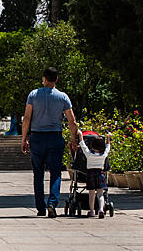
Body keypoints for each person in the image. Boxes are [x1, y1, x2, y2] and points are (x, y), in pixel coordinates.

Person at [21, 67, 78, 217]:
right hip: (55, 137)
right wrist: (73, 140)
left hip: (37, 137)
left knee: (38, 173)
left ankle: (40, 207)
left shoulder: (33, 95)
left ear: (44, 79)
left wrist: (24, 139)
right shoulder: (63, 97)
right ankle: (52, 202)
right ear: (56, 79)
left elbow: (27, 118)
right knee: (55, 172)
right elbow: (72, 121)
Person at [78, 129, 111, 218]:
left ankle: (92, 211)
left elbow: (82, 145)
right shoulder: (104, 154)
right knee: (100, 194)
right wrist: (108, 138)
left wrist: (80, 135)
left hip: (90, 174)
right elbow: (108, 147)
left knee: (91, 194)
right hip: (100, 174)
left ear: (92, 146)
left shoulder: (89, 154)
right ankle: (101, 209)